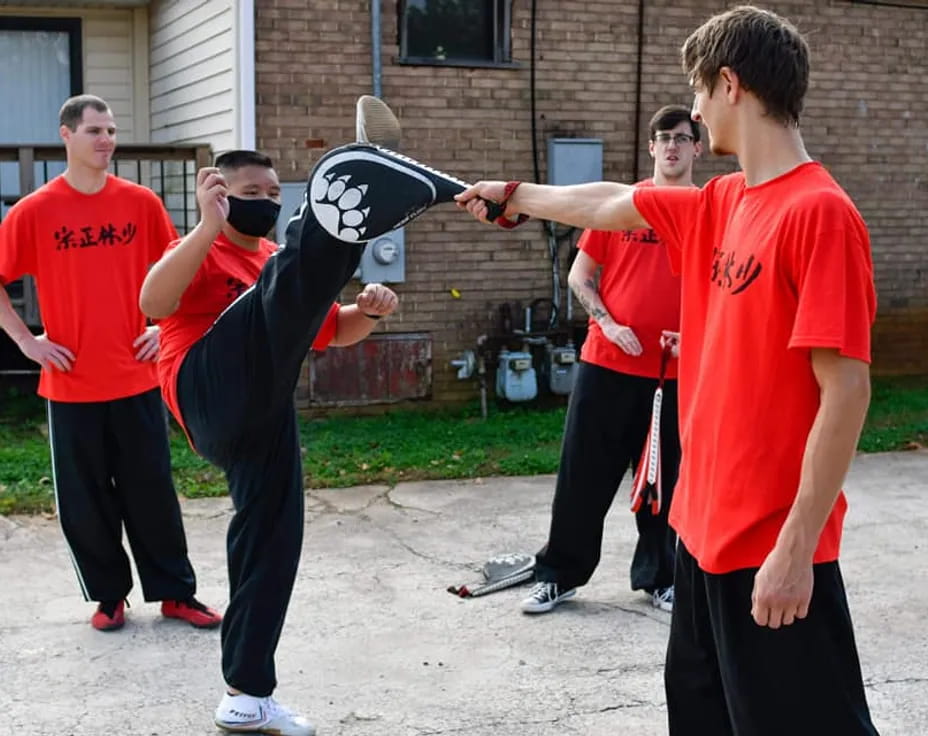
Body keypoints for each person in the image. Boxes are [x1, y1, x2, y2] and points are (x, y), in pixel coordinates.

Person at [457, 6, 879, 734]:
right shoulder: (722, 200)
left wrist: (796, 549)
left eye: (698, 91)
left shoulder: (820, 214)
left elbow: (845, 392)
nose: (693, 109)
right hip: (700, 535)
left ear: (730, 84)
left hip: (768, 551)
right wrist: (517, 196)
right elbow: (615, 203)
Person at [139, 144, 399, 735]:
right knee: (280, 289)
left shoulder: (280, 268)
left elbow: (335, 333)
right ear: (220, 195)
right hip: (209, 390)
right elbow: (152, 303)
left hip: (261, 410)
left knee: (274, 540)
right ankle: (351, 208)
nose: (266, 202)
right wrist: (206, 227)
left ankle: (246, 693)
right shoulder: (205, 252)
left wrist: (370, 312)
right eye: (251, 194)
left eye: (275, 195)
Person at [0, 94, 221, 632]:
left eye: (112, 131)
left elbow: (177, 271)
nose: (106, 140)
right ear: (67, 136)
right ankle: (108, 598)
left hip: (135, 377)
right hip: (70, 385)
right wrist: (28, 343)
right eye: (95, 130)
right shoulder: (34, 212)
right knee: (86, 501)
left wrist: (160, 327)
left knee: (153, 494)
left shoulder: (140, 203)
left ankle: (176, 594)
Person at [522, 105, 700, 616]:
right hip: (607, 363)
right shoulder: (622, 207)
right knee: (583, 475)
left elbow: (720, 287)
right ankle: (558, 574)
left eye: (682, 139)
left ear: (696, 149)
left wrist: (697, 334)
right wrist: (609, 322)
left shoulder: (706, 211)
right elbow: (581, 276)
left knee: (663, 483)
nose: (672, 147)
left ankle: (661, 577)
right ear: (650, 148)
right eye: (663, 138)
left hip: (673, 374)